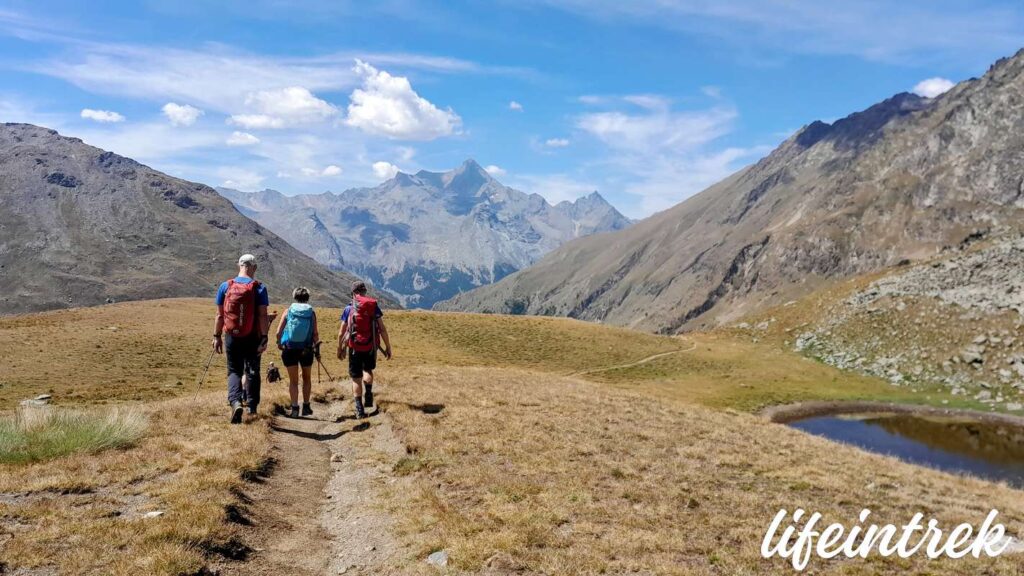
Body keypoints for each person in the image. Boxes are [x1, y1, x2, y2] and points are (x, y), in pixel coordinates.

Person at [213, 254, 270, 424]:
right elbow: (262, 315)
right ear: (254, 267)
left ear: (239, 265)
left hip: (232, 336)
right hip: (252, 335)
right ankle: (252, 408)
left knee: (234, 370)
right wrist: (264, 336)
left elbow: (219, 315)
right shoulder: (259, 288)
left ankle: (236, 402)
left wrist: (216, 336)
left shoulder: (225, 286)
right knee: (252, 370)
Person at [337, 281, 392, 418]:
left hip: (354, 347)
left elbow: (341, 332)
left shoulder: (348, 309)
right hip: (370, 346)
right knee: (367, 370)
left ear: (353, 293)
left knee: (356, 378)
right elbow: (382, 329)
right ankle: (368, 392)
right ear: (364, 292)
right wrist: (387, 347)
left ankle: (359, 410)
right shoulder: (373, 307)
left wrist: (340, 348)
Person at [275, 287, 320, 418]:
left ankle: (295, 408)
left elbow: (278, 332)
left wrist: (279, 343)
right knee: (307, 379)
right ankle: (306, 406)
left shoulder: (288, 311)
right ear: (308, 298)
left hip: (289, 348)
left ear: (295, 297)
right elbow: (316, 334)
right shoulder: (311, 313)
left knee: (293, 381)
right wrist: (316, 349)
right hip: (306, 349)